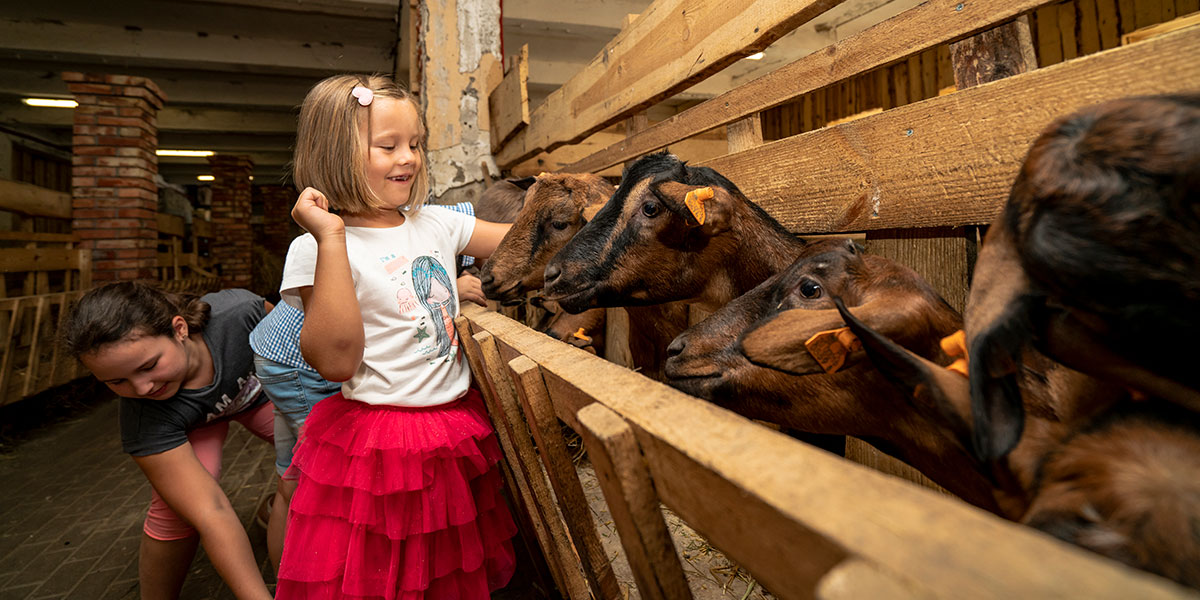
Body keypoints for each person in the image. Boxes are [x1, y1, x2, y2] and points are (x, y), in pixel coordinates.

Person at [274, 73, 516, 598]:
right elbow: (336, 362)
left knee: (445, 572)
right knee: (386, 575)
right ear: (336, 154)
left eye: (416, 144)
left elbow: (524, 243)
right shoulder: (316, 248)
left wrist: (597, 210)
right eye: (388, 146)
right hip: (383, 446)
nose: (409, 158)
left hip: (453, 429)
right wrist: (330, 236)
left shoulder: (436, 224)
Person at [251, 267, 485, 572]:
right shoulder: (434, 235)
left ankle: (288, 582)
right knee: (328, 488)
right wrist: (451, 290)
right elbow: (386, 299)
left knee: (292, 479)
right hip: (306, 360)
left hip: (278, 351)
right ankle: (329, 580)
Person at [61, 282, 275, 600]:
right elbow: (213, 512)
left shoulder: (240, 313)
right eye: (117, 381)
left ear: (179, 329)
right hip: (191, 424)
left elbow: (303, 347)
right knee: (176, 510)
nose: (142, 388)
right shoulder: (143, 416)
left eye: (148, 366)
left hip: (255, 397)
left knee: (316, 454)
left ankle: (278, 510)